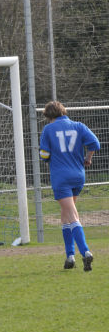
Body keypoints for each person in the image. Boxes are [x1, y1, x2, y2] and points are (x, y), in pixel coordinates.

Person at [39, 101, 100, 271]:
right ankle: (69, 256)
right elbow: (95, 143)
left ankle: (86, 252)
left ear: (50, 116)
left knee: (72, 215)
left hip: (61, 177)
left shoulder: (48, 129)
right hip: (78, 175)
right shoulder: (78, 126)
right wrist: (88, 157)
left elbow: (44, 153)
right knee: (66, 214)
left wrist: (47, 159)